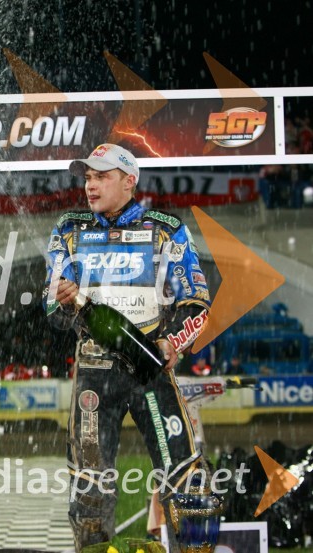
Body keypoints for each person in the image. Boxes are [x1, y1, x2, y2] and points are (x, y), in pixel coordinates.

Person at [42, 144, 217, 551]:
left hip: (150, 370)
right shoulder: (69, 228)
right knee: (89, 490)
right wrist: (61, 298)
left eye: (101, 176)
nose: (90, 185)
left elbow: (197, 300)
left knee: (191, 488)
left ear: (129, 181)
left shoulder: (165, 228)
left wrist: (173, 340)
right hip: (94, 374)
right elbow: (51, 306)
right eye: (87, 177)